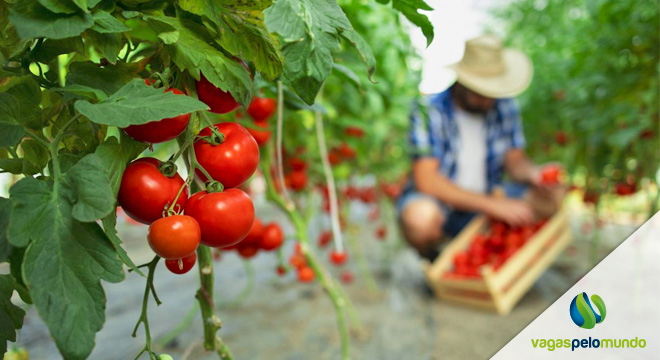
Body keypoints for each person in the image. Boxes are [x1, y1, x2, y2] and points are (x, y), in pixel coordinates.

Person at [398, 34, 564, 261]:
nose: (488, 100)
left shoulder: (504, 106)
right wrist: (493, 205)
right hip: (444, 206)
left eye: (492, 92)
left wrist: (534, 174)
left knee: (554, 196)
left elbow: (515, 161)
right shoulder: (428, 110)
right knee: (419, 219)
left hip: (488, 199)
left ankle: (493, 250)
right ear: (463, 82)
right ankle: (436, 257)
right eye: (480, 92)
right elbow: (426, 180)